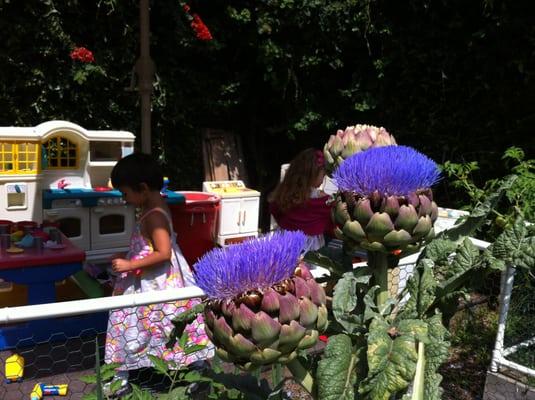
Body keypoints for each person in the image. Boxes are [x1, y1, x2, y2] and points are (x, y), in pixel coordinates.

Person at [104, 153, 213, 394]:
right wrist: (128, 255)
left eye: (125, 193)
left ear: (142, 188)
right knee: (162, 321)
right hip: (154, 276)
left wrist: (129, 265)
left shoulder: (154, 215)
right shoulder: (153, 206)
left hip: (157, 280)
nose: (125, 199)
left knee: (139, 319)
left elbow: (163, 252)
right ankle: (191, 364)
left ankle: (120, 374)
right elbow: (148, 246)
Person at [268, 148, 335, 252]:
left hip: (283, 243)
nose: (324, 177)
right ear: (312, 174)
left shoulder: (283, 195)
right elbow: (332, 223)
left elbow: (274, 209)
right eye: (323, 173)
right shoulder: (323, 202)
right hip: (310, 249)